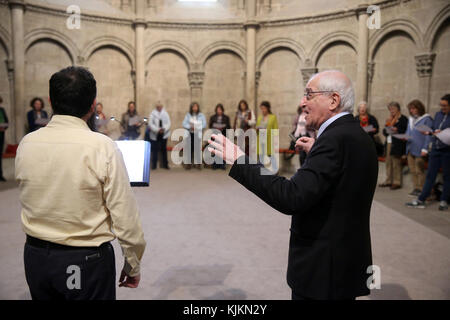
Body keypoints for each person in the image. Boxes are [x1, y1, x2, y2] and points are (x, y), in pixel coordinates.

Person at [208, 70, 378, 300]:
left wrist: (240, 160)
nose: (302, 102)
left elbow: (291, 196)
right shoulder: (354, 135)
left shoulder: (334, 142)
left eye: (309, 94)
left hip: (322, 269)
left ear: (333, 100)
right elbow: (342, 180)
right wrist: (318, 150)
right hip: (344, 261)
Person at [15, 66, 146, 300]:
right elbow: (125, 215)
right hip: (86, 262)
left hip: (36, 258)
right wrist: (132, 262)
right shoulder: (102, 146)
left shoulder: (27, 143)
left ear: (50, 100)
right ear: (93, 104)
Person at [407, 94, 450, 211]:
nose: (442, 108)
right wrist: (431, 132)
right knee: (430, 175)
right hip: (436, 149)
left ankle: (444, 200)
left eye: (445, 105)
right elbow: (433, 129)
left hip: (447, 150)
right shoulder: (438, 115)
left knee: (447, 176)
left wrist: (442, 132)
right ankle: (421, 199)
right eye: (441, 105)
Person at [404, 100, 433, 197]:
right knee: (412, 170)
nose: (411, 111)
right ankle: (416, 188)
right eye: (410, 109)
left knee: (419, 170)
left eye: (413, 108)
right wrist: (405, 136)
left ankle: (422, 189)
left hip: (420, 148)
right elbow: (409, 131)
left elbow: (428, 135)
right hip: (410, 147)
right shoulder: (411, 119)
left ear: (419, 108)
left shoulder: (426, 119)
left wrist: (425, 149)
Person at [379, 102, 408, 190]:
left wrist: (397, 129)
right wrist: (387, 129)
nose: (391, 111)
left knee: (396, 162)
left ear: (398, 109)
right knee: (388, 162)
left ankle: (396, 182)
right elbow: (384, 131)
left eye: (393, 109)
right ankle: (388, 181)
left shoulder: (403, 119)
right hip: (389, 142)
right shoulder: (390, 119)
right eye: (390, 109)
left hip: (398, 142)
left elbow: (405, 130)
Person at [182, 102, 206, 170]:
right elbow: (184, 123)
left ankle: (198, 164)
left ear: (198, 108)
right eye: (193, 107)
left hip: (197, 134)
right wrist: (190, 127)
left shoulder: (201, 115)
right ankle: (189, 164)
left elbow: (204, 124)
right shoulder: (188, 115)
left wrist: (196, 127)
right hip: (190, 133)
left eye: (196, 107)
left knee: (197, 149)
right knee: (189, 149)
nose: (195, 108)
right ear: (191, 108)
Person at [148, 102, 171, 170]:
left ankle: (165, 165)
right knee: (154, 150)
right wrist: (157, 130)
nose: (159, 108)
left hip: (164, 133)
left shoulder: (165, 113)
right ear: (156, 107)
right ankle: (154, 165)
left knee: (164, 149)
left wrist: (163, 129)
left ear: (162, 107)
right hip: (155, 133)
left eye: (160, 106)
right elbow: (150, 124)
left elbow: (168, 123)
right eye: (158, 107)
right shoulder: (152, 114)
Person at [256, 101, 278, 168]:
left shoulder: (273, 117)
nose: (263, 110)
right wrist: (257, 129)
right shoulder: (260, 117)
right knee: (260, 158)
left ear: (268, 108)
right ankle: (259, 174)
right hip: (260, 140)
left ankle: (274, 171)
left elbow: (275, 129)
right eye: (261, 108)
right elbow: (257, 127)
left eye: (264, 108)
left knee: (271, 157)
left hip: (269, 140)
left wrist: (275, 141)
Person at [209, 103, 231, 170]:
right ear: (216, 110)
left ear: (222, 110)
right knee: (215, 150)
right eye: (218, 110)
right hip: (215, 135)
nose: (219, 111)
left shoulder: (226, 117)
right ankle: (214, 165)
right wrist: (216, 127)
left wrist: (223, 127)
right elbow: (210, 126)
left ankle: (222, 165)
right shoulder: (212, 117)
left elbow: (228, 126)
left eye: (220, 110)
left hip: (223, 135)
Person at [0, 96, 8, 182]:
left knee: (0, 155)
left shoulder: (2, 110)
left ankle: (0, 174)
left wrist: (4, 127)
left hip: (1, 134)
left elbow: (6, 121)